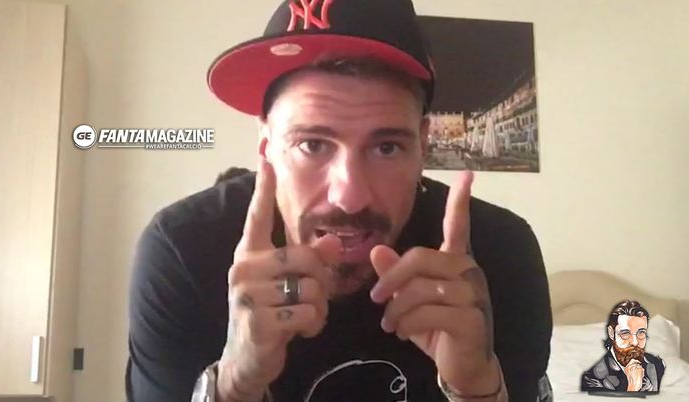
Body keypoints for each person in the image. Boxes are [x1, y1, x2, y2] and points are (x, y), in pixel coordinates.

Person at [125, 1, 552, 401]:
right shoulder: (184, 250)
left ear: (423, 144)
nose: (349, 197)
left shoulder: (498, 253)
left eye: (386, 148)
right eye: (312, 144)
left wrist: (476, 387)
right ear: (266, 142)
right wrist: (235, 382)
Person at [581, 300, 665, 393]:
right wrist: (632, 388)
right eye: (625, 333)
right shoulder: (592, 379)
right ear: (611, 333)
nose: (635, 342)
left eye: (641, 332)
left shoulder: (657, 364)